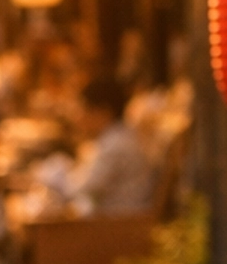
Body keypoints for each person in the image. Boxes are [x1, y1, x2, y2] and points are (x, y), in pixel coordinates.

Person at [57, 77, 156, 215]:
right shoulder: (117, 136)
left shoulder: (115, 145)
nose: (79, 117)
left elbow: (84, 188)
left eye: (84, 110)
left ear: (103, 112)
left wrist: (57, 175)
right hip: (116, 217)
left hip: (119, 223)